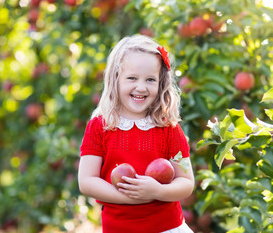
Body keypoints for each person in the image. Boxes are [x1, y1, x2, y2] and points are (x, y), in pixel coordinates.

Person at [78, 35, 195, 233]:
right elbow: (87, 181)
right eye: (132, 78)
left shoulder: (169, 128)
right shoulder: (100, 126)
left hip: (167, 227)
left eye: (150, 79)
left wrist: (157, 191)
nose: (141, 87)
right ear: (116, 78)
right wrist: (133, 196)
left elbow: (186, 182)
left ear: (161, 83)